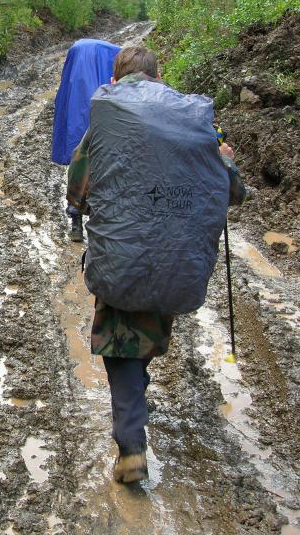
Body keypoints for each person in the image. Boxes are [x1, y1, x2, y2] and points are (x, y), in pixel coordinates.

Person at [66, 46, 246, 483]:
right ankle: (134, 412)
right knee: (141, 335)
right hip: (175, 256)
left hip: (123, 255)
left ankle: (131, 447)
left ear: (118, 76)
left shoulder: (109, 121)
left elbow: (77, 191)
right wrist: (228, 161)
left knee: (120, 341)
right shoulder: (193, 124)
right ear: (157, 75)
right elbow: (233, 193)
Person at [52, 39, 120, 242]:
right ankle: (95, 224)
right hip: (102, 131)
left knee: (77, 172)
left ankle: (76, 223)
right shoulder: (114, 59)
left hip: (80, 130)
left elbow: (63, 103)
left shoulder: (76, 60)